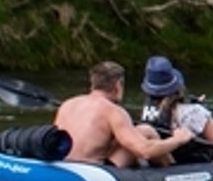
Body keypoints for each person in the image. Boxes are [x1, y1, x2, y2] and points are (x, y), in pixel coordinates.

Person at [54, 61, 193, 167]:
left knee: (144, 130)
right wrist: (178, 139)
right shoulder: (113, 111)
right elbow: (145, 151)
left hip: (65, 165)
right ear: (118, 86)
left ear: (93, 84)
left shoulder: (67, 104)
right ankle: (173, 170)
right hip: (95, 170)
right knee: (146, 132)